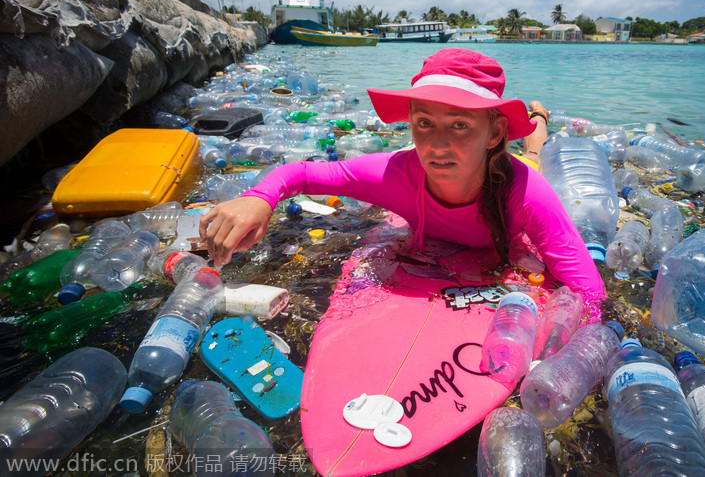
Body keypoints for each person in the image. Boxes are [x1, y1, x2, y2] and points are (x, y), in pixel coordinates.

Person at [199, 49, 606, 318]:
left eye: (460, 125)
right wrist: (258, 198)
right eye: (424, 123)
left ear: (495, 131)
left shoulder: (525, 195)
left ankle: (538, 119)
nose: (438, 145)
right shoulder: (393, 174)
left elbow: (590, 294)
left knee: (533, 154)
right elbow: (299, 173)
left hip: (518, 170)